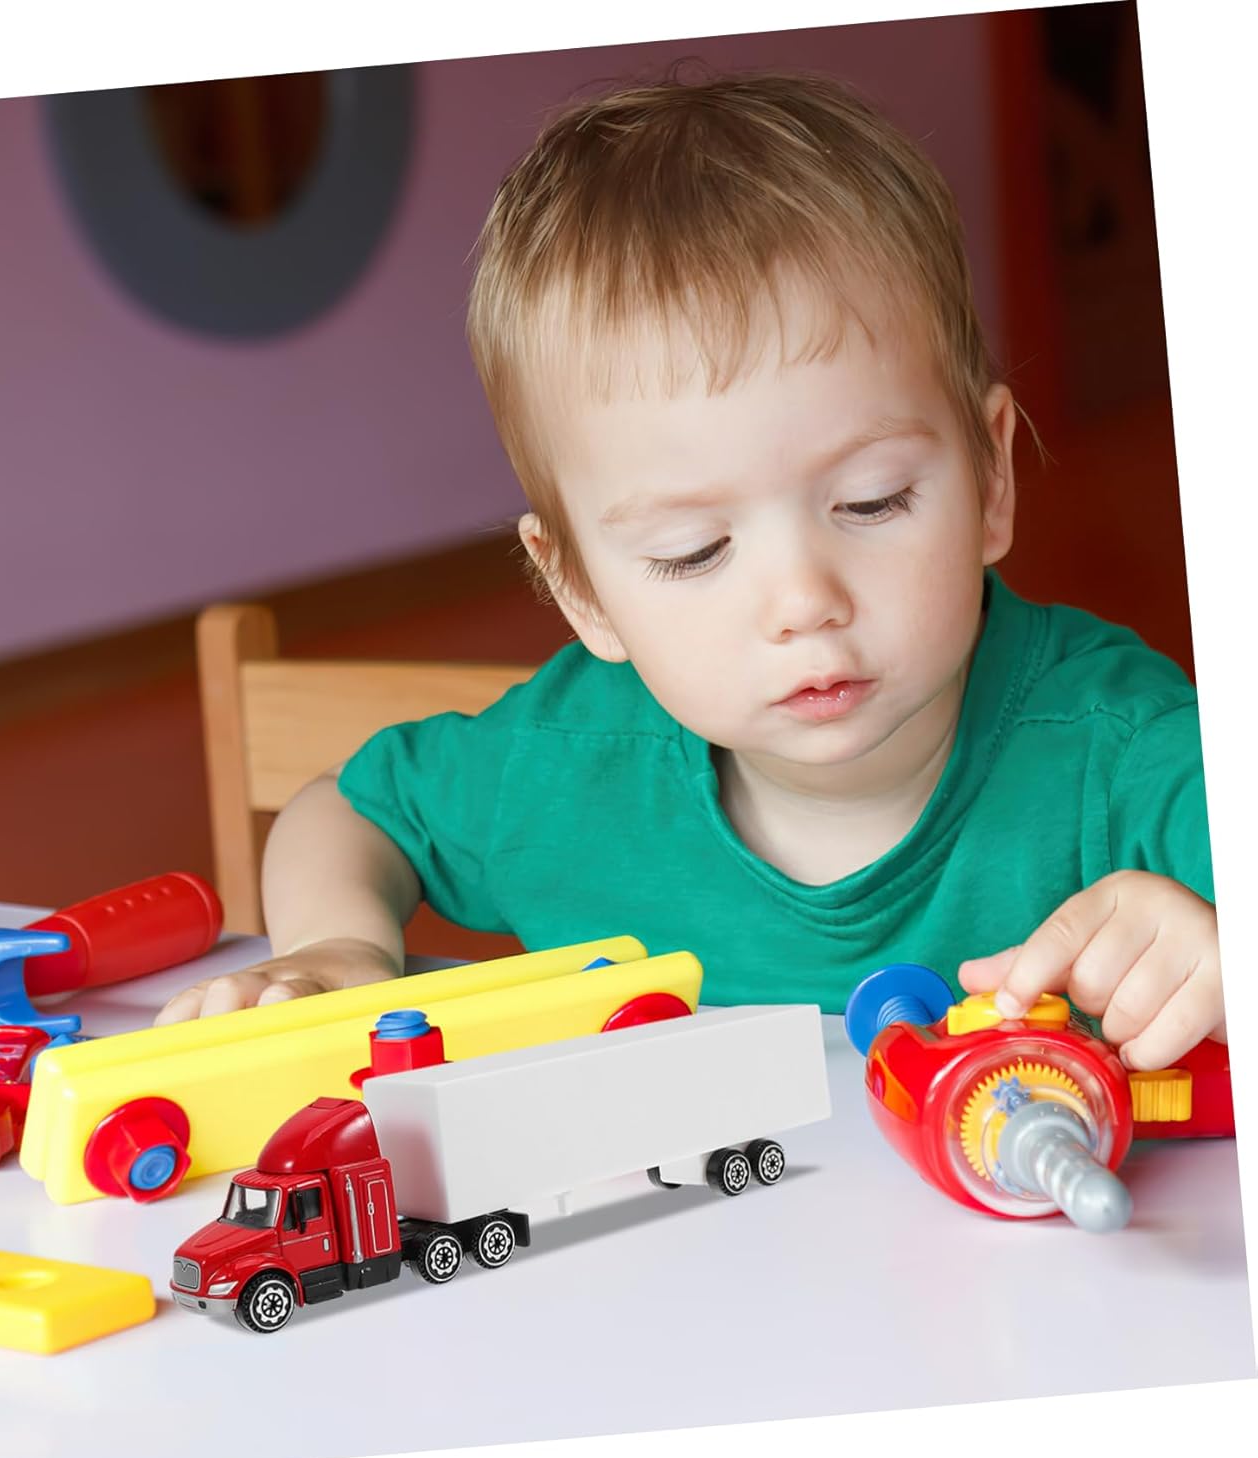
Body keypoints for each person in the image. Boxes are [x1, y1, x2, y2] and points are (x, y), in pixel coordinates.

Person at [157, 70, 1222, 1074]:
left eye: (871, 502)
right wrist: (339, 947)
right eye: (693, 552)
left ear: (991, 476)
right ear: (581, 591)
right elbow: (345, 810)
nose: (804, 602)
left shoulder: (1125, 753)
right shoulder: (566, 765)